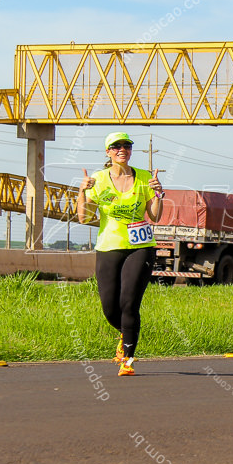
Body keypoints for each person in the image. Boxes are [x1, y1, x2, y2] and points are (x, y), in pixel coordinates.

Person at [78, 132, 164, 376]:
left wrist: (158, 194)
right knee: (109, 308)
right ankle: (126, 333)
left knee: (129, 302)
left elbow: (156, 216)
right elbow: (84, 217)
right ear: (108, 152)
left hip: (141, 246)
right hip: (109, 246)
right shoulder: (98, 179)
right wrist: (82, 191)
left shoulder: (145, 177)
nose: (122, 149)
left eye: (126, 145)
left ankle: (128, 358)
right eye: (116, 146)